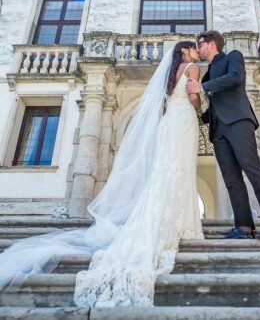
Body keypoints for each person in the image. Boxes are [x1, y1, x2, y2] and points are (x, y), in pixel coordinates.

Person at [0, 41, 204, 307]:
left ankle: (166, 221)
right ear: (186, 51)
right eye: (194, 47)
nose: (197, 51)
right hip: (183, 118)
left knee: (165, 172)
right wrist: (201, 105)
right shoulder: (193, 68)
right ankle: (183, 225)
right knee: (181, 170)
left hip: (168, 122)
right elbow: (193, 97)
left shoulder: (169, 74)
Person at [186, 30, 260, 239]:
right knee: (231, 178)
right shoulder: (207, 72)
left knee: (252, 169)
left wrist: (202, 87)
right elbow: (212, 105)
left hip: (238, 121)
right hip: (218, 130)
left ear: (212, 44)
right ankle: (244, 227)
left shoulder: (233, 57)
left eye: (200, 44)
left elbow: (235, 78)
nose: (198, 48)